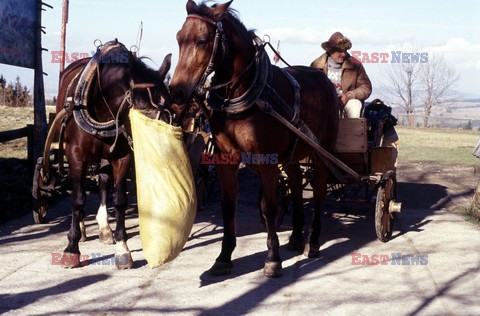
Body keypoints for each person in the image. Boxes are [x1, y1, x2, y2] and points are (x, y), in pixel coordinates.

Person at [311, 31, 372, 118]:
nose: (344, 54)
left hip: (347, 101)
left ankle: (352, 131)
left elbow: (366, 87)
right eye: (340, 51)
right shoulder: (316, 65)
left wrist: (349, 96)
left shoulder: (356, 65)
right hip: (323, 102)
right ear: (330, 50)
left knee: (355, 106)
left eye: (345, 50)